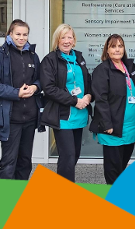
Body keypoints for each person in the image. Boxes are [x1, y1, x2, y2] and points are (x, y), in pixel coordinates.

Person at [0, 19, 44, 180]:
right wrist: (16, 93)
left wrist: (35, 87)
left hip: (30, 117)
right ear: (10, 34)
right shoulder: (0, 55)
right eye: (18, 34)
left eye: (25, 34)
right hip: (10, 118)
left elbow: (40, 80)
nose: (21, 37)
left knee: (25, 162)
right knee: (8, 163)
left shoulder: (33, 55)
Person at [89, 34, 135, 185]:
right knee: (113, 169)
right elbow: (101, 100)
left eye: (120, 46)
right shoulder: (102, 70)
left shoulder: (131, 67)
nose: (117, 49)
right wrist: (107, 124)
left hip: (131, 126)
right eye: (113, 46)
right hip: (113, 127)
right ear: (107, 50)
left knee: (122, 164)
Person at [40, 24, 92, 182]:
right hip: (63, 116)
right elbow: (49, 88)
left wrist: (89, 96)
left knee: (74, 154)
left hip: (80, 114)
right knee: (67, 156)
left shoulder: (79, 58)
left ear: (74, 40)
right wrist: (75, 101)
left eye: (70, 37)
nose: (67, 41)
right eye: (63, 37)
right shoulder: (50, 60)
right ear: (57, 40)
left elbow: (87, 81)